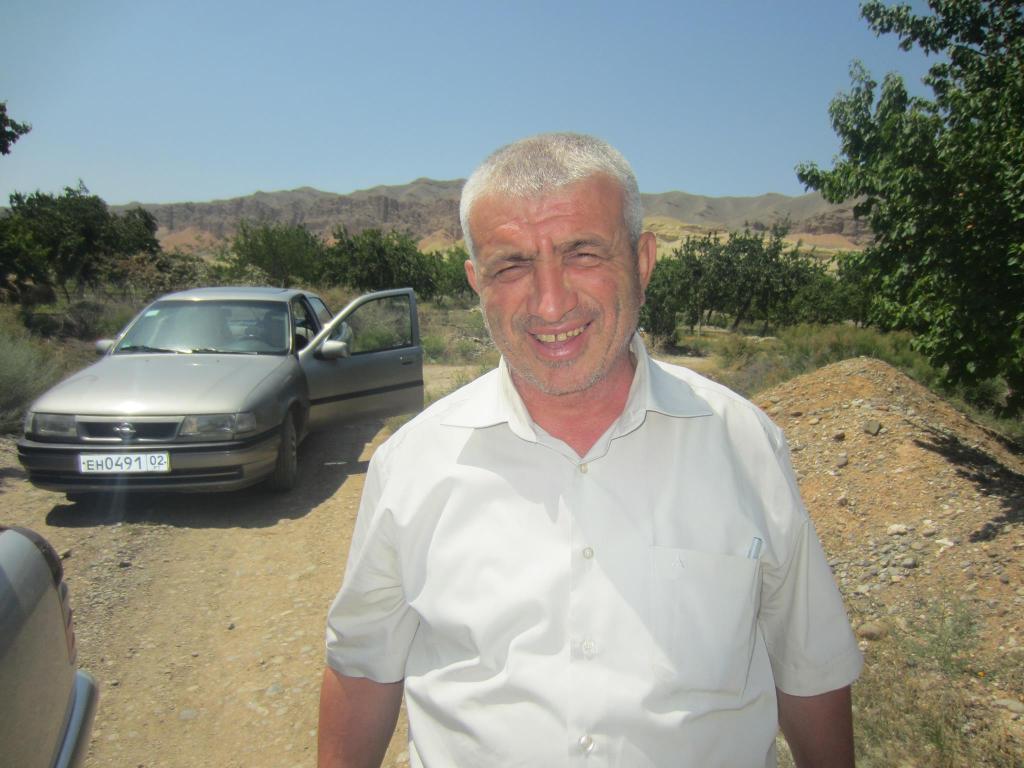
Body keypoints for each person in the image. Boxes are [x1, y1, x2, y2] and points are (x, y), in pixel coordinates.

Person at [318, 133, 863, 767]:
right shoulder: (412, 464)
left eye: (582, 253)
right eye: (512, 265)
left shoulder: (745, 444)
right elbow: (362, 669)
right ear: (476, 282)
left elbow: (810, 667)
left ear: (643, 261)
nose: (551, 303)